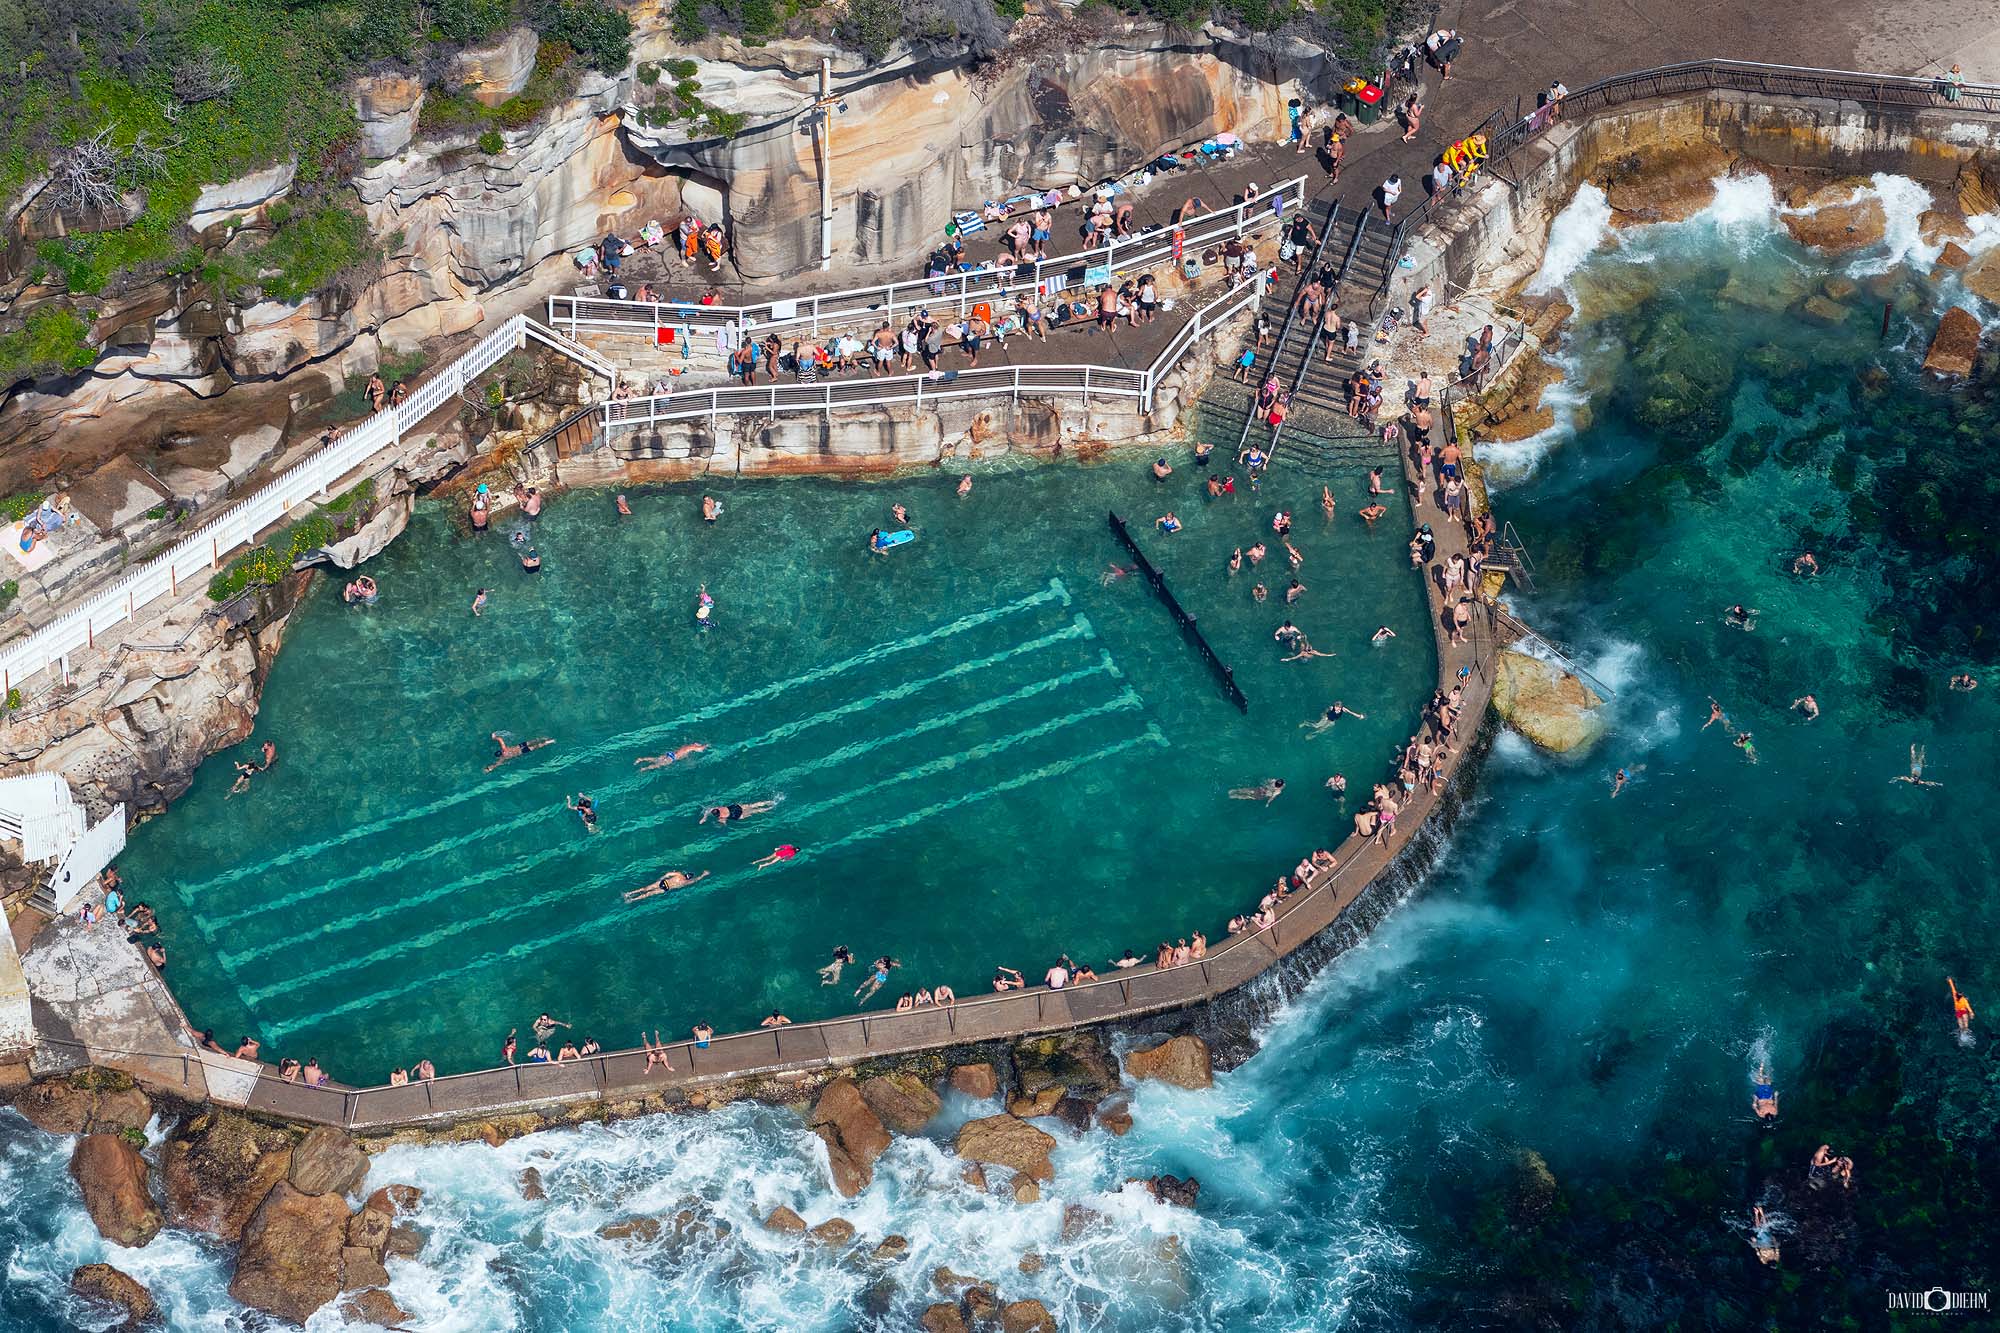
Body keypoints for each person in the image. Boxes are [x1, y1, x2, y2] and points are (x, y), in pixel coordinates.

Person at [623, 868, 710, 902]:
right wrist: (703, 874)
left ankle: (629, 894)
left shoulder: (679, 874)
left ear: (685, 874)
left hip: (664, 882)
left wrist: (661, 877)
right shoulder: (687, 882)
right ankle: (632, 900)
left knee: (645, 888)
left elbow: (668, 874)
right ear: (689, 878)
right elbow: (697, 879)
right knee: (648, 894)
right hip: (666, 888)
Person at [486, 733, 553, 772]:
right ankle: (543, 738)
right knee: (532, 742)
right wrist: (494, 737)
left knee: (535, 747)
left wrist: (489, 769)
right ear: (500, 751)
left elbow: (496, 765)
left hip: (522, 751)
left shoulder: (503, 758)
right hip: (519, 746)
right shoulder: (504, 748)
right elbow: (500, 739)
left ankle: (548, 742)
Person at [635, 742, 708, 770]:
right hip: (673, 758)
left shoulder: (690, 745)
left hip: (671, 753)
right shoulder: (693, 747)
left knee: (656, 759)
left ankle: (641, 759)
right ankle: (645, 768)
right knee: (658, 765)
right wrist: (707, 745)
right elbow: (700, 749)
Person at [701, 798, 779, 824]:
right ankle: (770, 802)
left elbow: (723, 821)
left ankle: (769, 808)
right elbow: (708, 811)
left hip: (736, 815)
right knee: (752, 805)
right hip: (735, 808)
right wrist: (704, 817)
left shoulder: (721, 817)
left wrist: (704, 818)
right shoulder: (719, 808)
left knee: (755, 811)